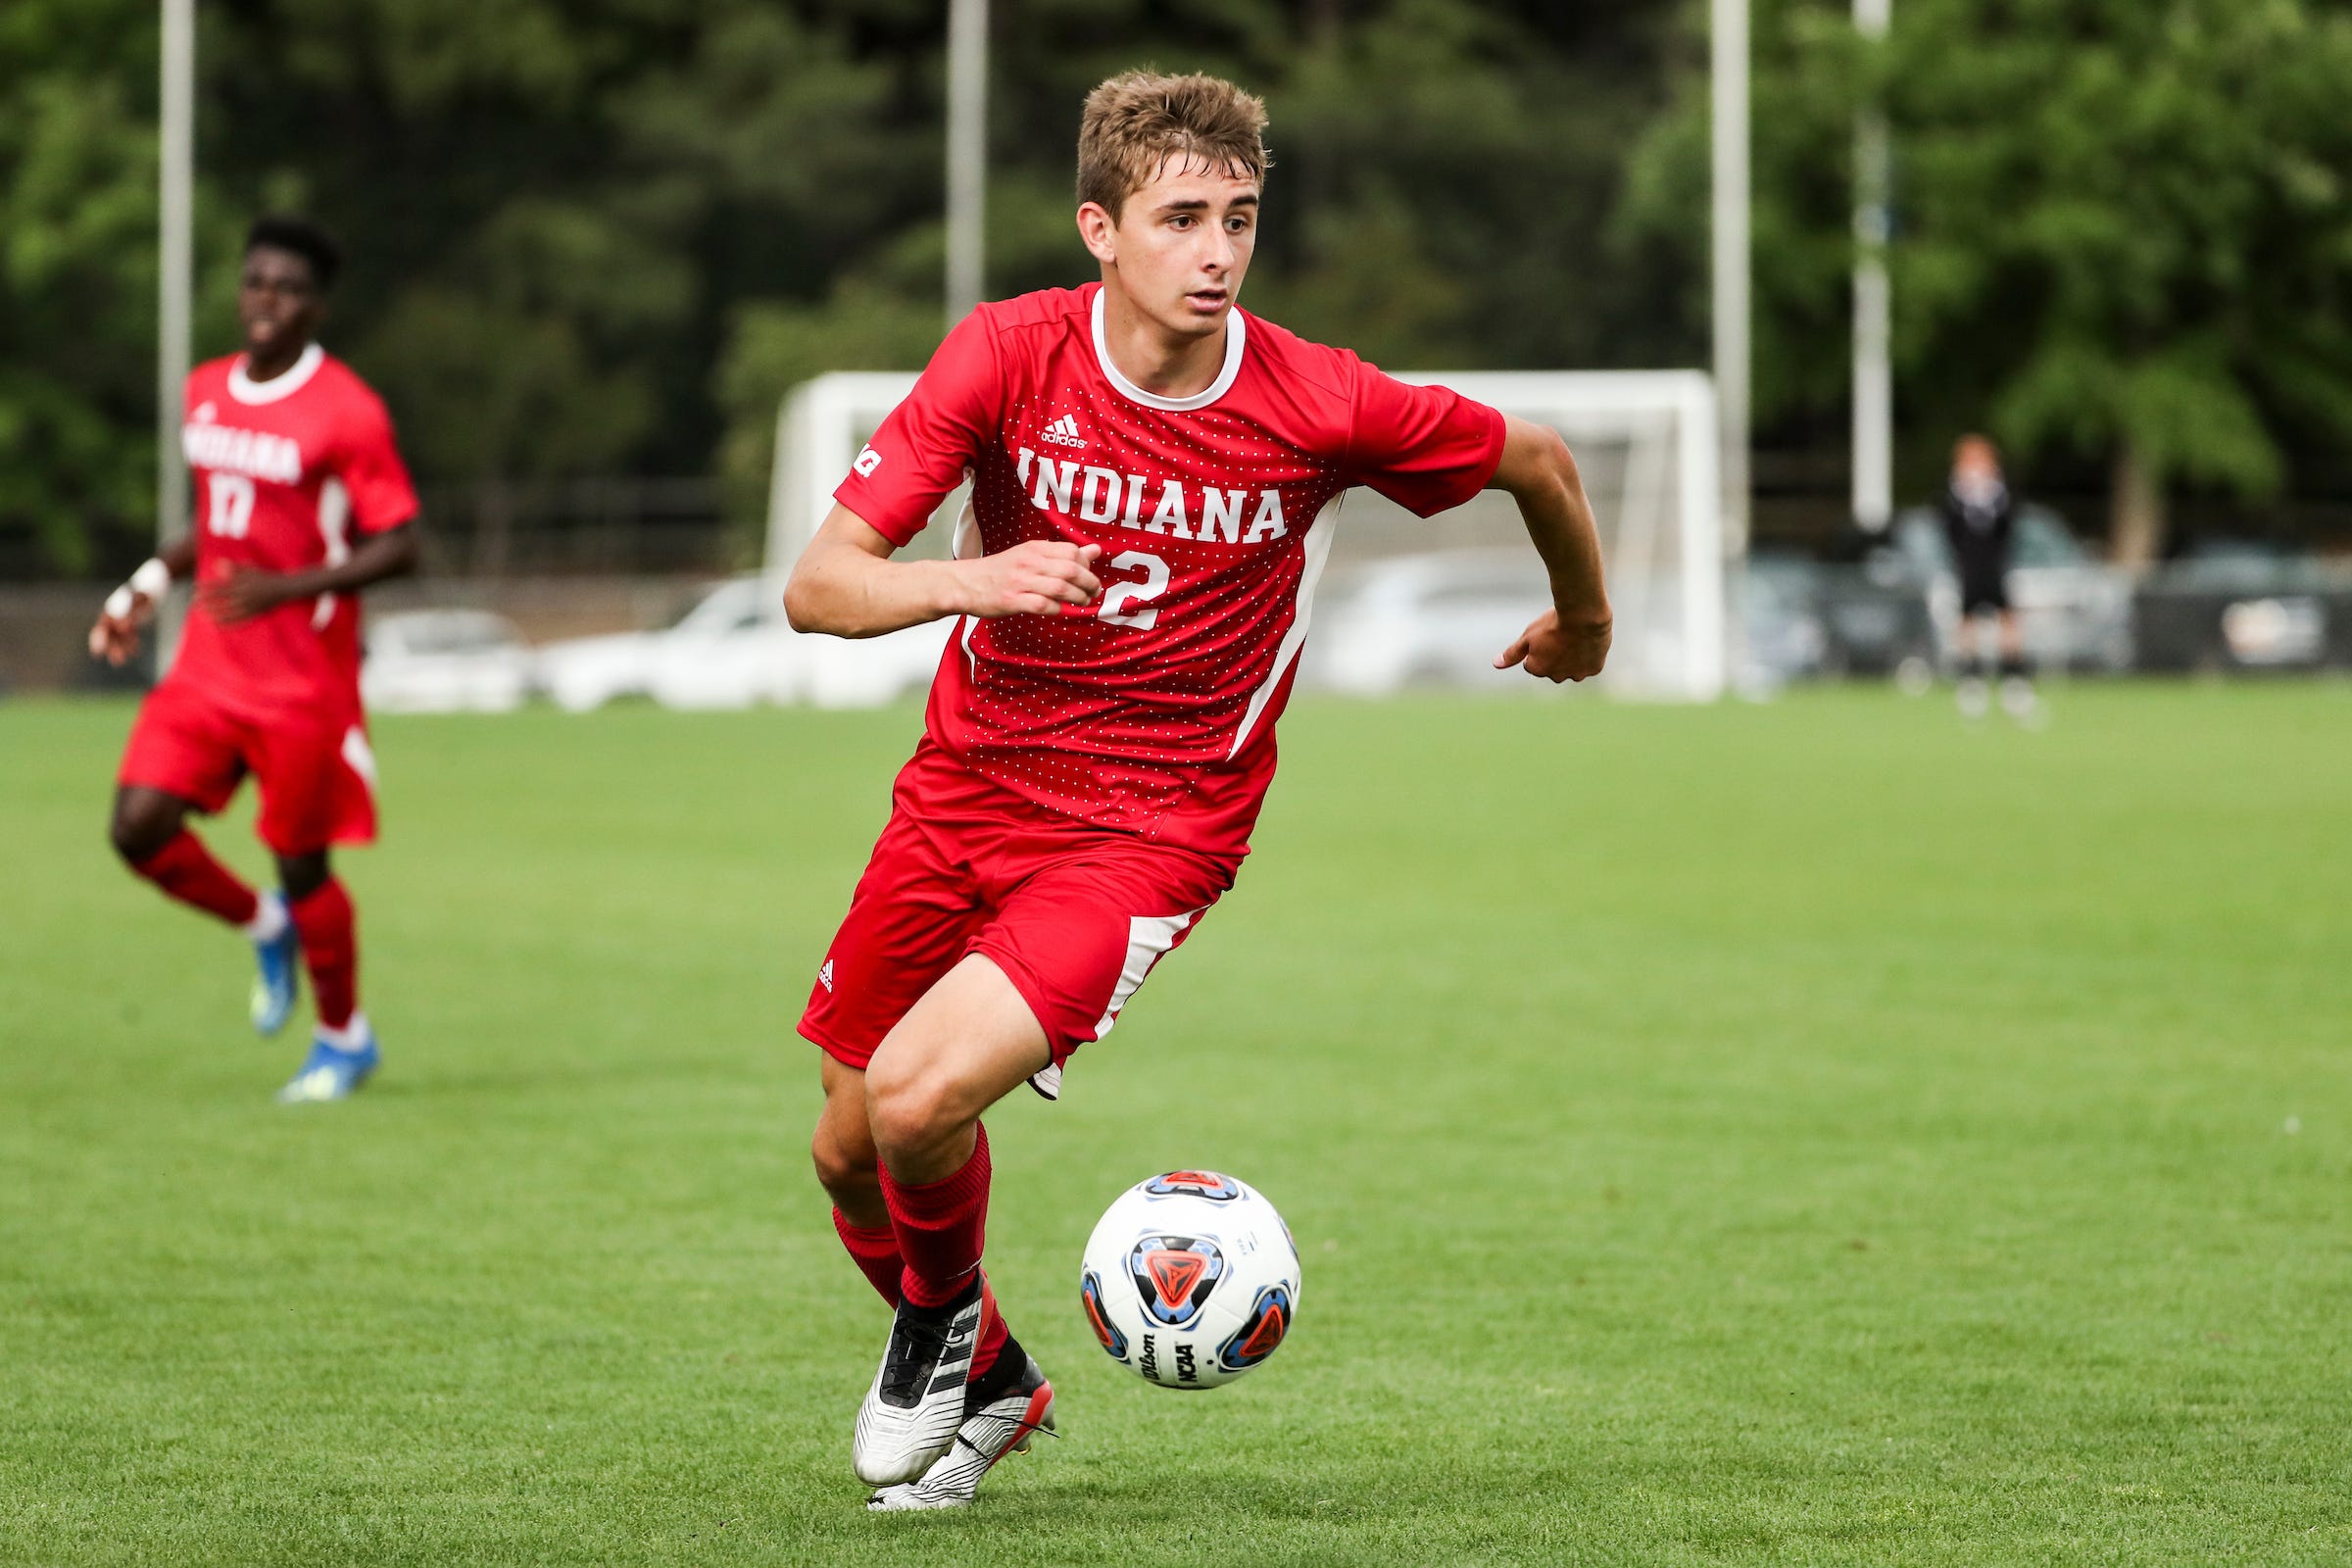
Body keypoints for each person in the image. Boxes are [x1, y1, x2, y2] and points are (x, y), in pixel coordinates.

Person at [782, 72, 1612, 1512]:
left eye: (1239, 218)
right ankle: (993, 1380)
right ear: (1101, 228)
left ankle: (933, 1331)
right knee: (846, 1151)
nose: (1217, 252)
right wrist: (975, 577)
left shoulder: (1316, 398)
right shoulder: (1005, 357)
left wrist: (1585, 626)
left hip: (1147, 830)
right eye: (1180, 220)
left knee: (916, 1105)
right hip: (963, 788)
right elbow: (818, 586)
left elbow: (1536, 460)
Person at [89, 216, 420, 1102]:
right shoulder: (206, 389)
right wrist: (143, 585)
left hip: (300, 683)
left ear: (317, 306)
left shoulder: (348, 409)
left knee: (303, 863)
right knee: (136, 828)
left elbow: (402, 545)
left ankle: (343, 1038)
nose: (266, 301)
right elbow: (219, 517)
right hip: (206, 666)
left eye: (287, 289)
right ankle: (261, 925)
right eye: (255, 283)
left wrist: (290, 586)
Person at [1937, 434, 2039, 720]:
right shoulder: (1955, 496)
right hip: (1969, 568)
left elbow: (2008, 528)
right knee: (1967, 624)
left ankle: (2014, 680)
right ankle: (1971, 680)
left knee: (2008, 622)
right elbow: (1950, 529)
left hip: (1995, 567)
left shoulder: (2000, 495)